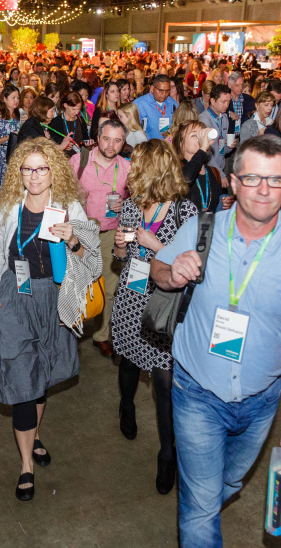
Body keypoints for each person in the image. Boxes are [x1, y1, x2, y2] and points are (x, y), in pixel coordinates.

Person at [150, 134, 281, 547]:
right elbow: (157, 268)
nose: (264, 189)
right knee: (202, 509)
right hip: (198, 394)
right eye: (254, 178)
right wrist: (171, 274)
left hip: (262, 400)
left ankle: (197, 496)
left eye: (276, 180)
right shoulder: (201, 228)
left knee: (228, 481)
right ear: (233, 183)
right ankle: (197, 506)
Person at [0, 137, 101, 502]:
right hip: (15, 298)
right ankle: (25, 466)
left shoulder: (69, 209)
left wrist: (75, 242)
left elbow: (93, 262)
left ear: (54, 171)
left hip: (54, 300)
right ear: (18, 172)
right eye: (27, 168)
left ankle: (32, 436)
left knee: (42, 375)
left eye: (42, 168)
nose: (34, 176)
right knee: (21, 379)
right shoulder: (7, 209)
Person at [111, 139, 199, 496]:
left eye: (137, 166)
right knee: (129, 363)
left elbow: (192, 266)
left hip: (164, 306)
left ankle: (167, 454)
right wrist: (120, 245)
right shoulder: (132, 207)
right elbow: (122, 258)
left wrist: (154, 245)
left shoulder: (185, 213)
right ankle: (126, 405)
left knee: (164, 384)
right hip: (132, 298)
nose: (131, 172)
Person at [70, 119, 129, 356]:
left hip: (111, 234)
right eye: (106, 138)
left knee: (109, 286)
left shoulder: (128, 168)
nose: (111, 144)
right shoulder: (79, 161)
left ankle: (102, 335)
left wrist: (126, 204)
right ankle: (69, 330)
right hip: (80, 233)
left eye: (117, 140)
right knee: (74, 284)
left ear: (124, 142)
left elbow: (138, 203)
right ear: (97, 137)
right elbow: (63, 193)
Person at [173, 120, 235, 213]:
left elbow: (216, 205)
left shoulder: (213, 172)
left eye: (201, 135)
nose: (200, 139)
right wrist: (202, 149)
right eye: (194, 135)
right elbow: (186, 178)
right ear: (181, 145)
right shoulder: (176, 171)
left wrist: (226, 203)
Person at [0, 84, 21, 196]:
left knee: (14, 193)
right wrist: (9, 137)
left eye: (18, 98)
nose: (16, 101)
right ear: (4, 99)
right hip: (0, 158)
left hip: (15, 157)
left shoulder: (19, 115)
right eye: (13, 97)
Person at [198, 84, 236, 188]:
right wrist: (220, 174)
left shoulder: (224, 117)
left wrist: (229, 146)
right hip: (207, 170)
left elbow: (222, 149)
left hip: (219, 167)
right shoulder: (204, 120)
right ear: (213, 101)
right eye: (223, 101)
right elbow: (206, 152)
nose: (226, 105)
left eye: (228, 101)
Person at [134, 74, 178, 140]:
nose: (164, 94)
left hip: (168, 146)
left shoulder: (172, 103)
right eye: (161, 91)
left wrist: (171, 130)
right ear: (152, 88)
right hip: (149, 147)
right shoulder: (139, 104)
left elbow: (179, 124)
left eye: (167, 91)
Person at [49, 91, 89, 158]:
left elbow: (85, 139)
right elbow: (51, 145)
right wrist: (63, 145)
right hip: (63, 159)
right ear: (65, 105)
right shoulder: (55, 122)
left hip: (79, 159)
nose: (76, 112)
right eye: (74, 109)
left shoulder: (81, 120)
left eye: (78, 109)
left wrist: (87, 143)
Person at [227, 71, 255, 138]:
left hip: (244, 137)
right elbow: (216, 112)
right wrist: (229, 114)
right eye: (237, 85)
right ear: (229, 85)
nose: (240, 88)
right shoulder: (224, 99)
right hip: (229, 136)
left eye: (242, 85)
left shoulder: (249, 99)